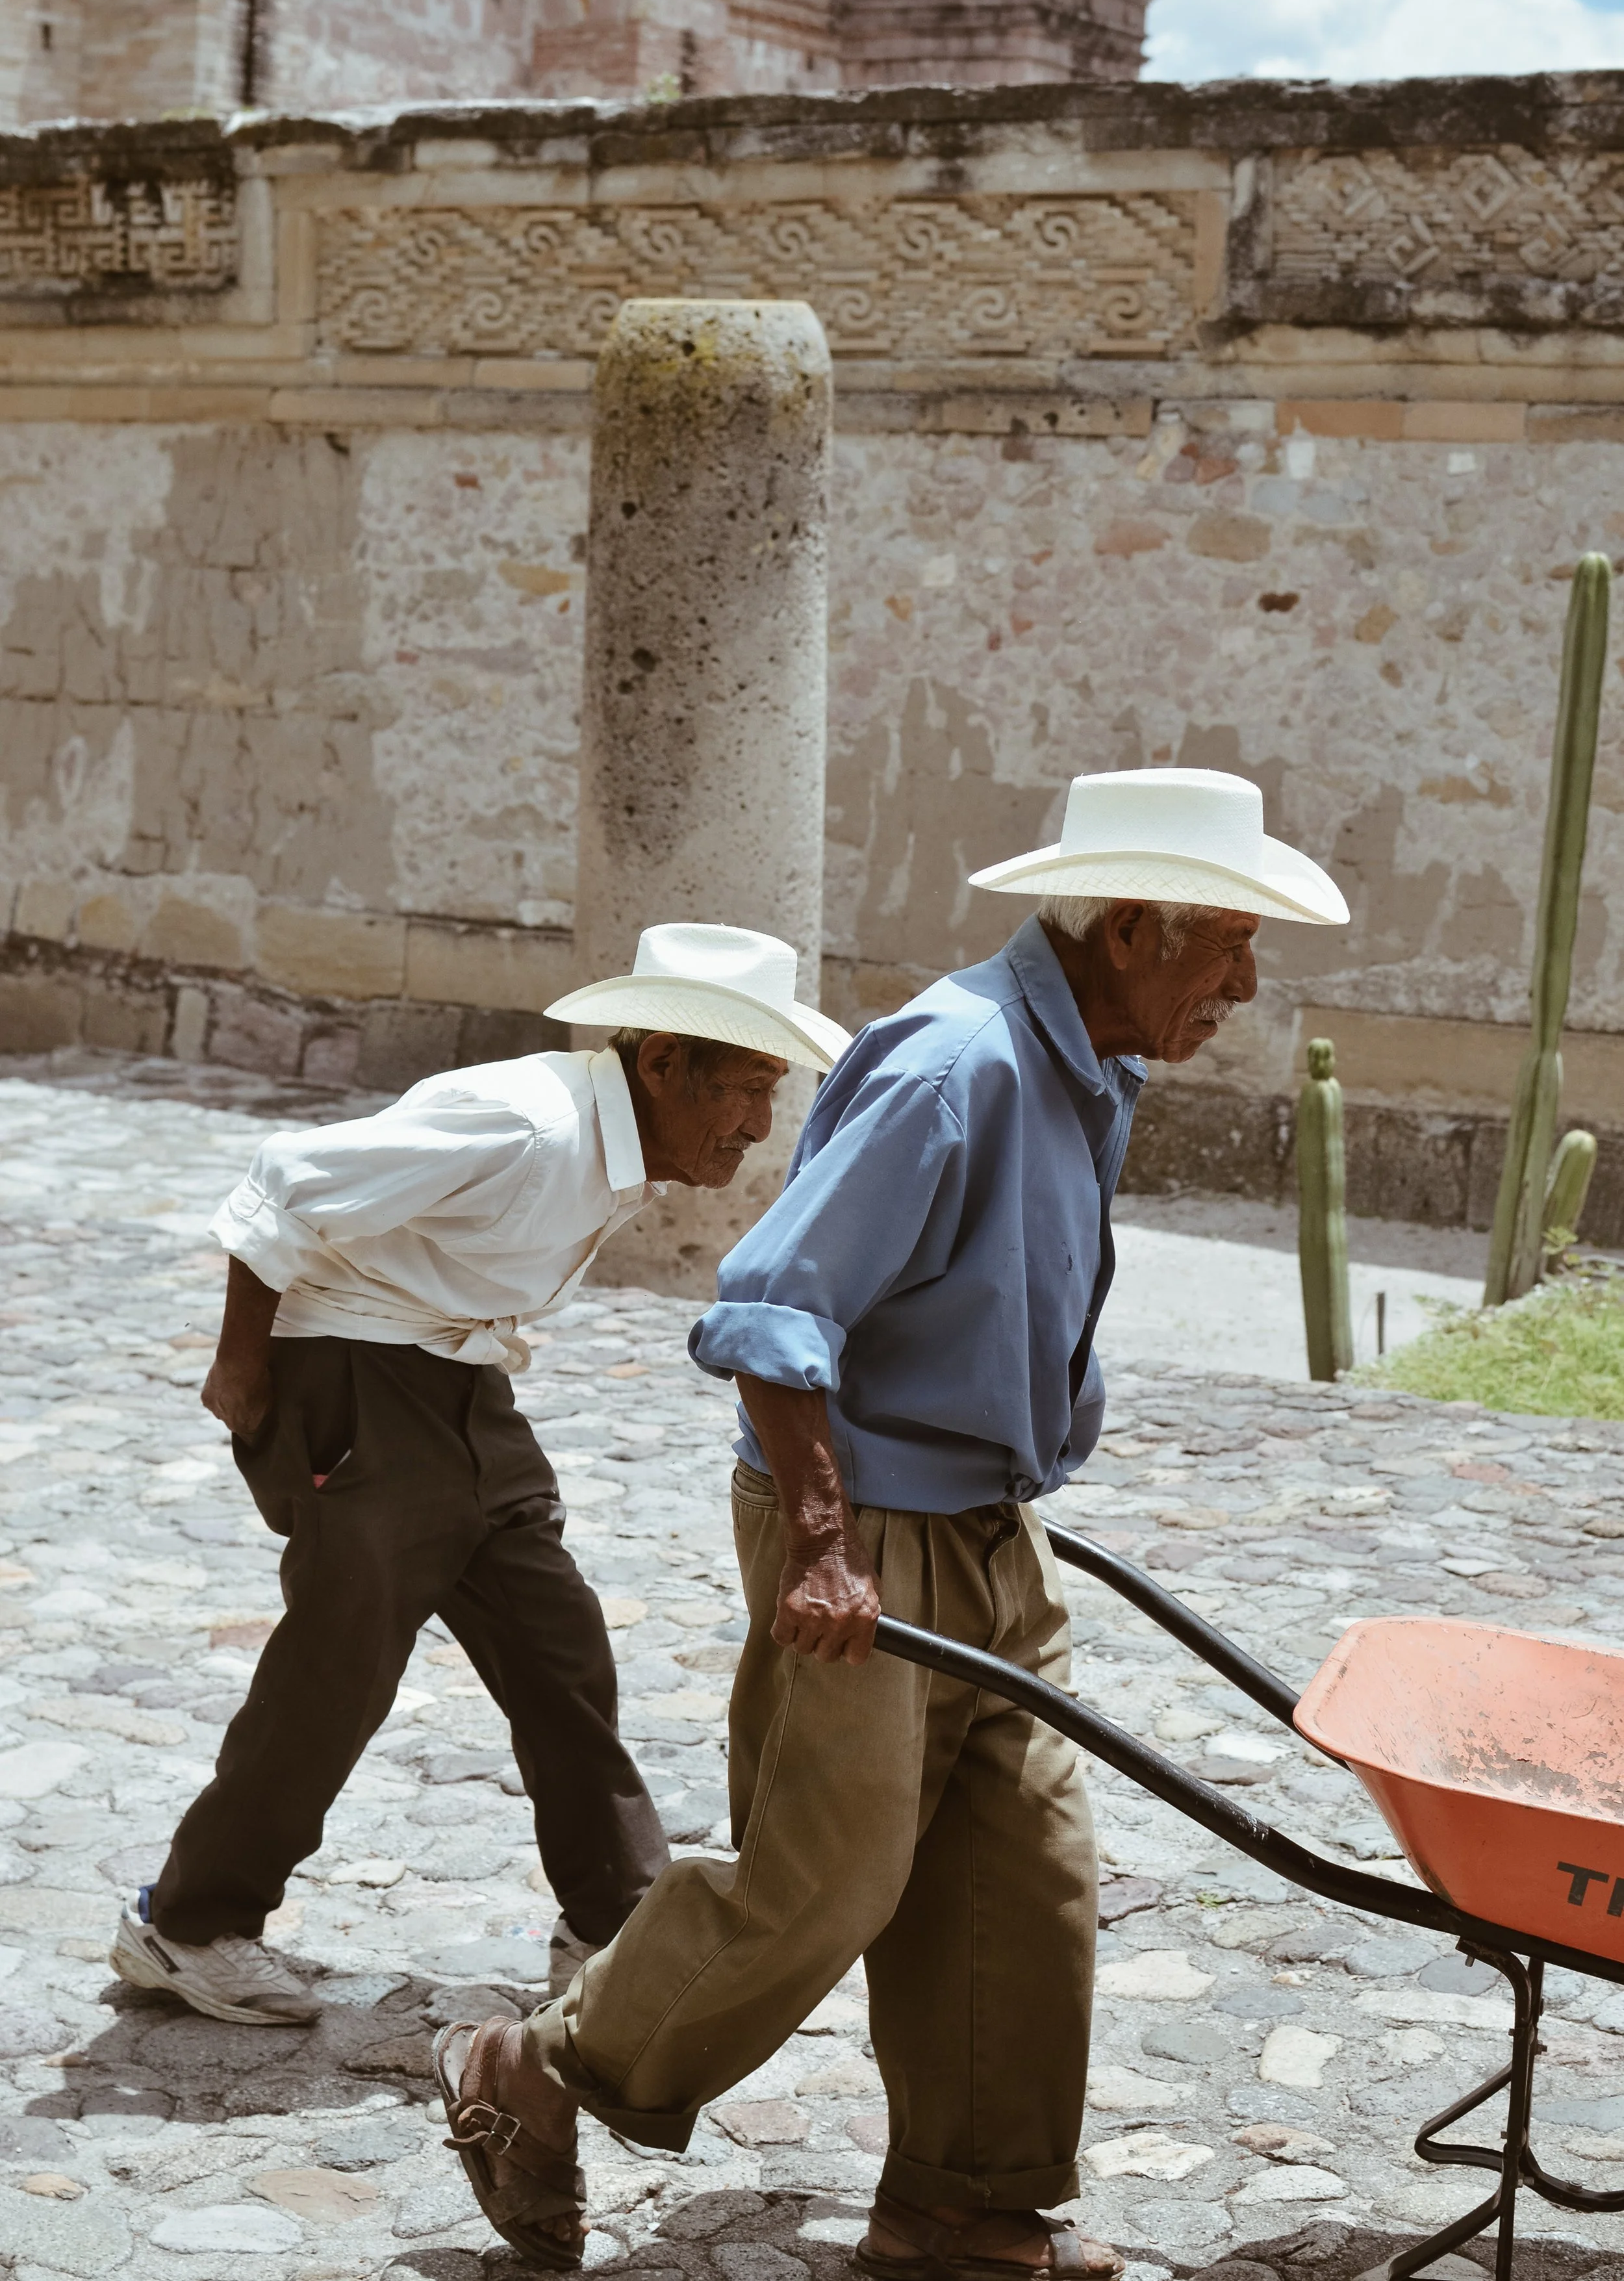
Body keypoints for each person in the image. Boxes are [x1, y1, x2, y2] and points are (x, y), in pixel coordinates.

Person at [434, 769, 1349, 2273]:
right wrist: (819, 1544)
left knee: (1022, 1869)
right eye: (1225, 951)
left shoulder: (1086, 1062)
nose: (1242, 991)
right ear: (1128, 927)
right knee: (828, 1878)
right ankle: (533, 2066)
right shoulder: (956, 1063)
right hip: (859, 1525)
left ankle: (957, 2204)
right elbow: (772, 1308)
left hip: (993, 1526)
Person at [110, 924, 849, 2027]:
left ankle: (612, 1921)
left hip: (459, 1383)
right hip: (356, 1376)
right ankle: (187, 1923)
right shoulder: (525, 1121)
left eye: (769, 1092)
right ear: (659, 1064)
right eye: (743, 1090)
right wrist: (243, 1366)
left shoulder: (616, 1141)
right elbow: (284, 1183)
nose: (757, 1123)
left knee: (558, 1639)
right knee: (341, 1662)